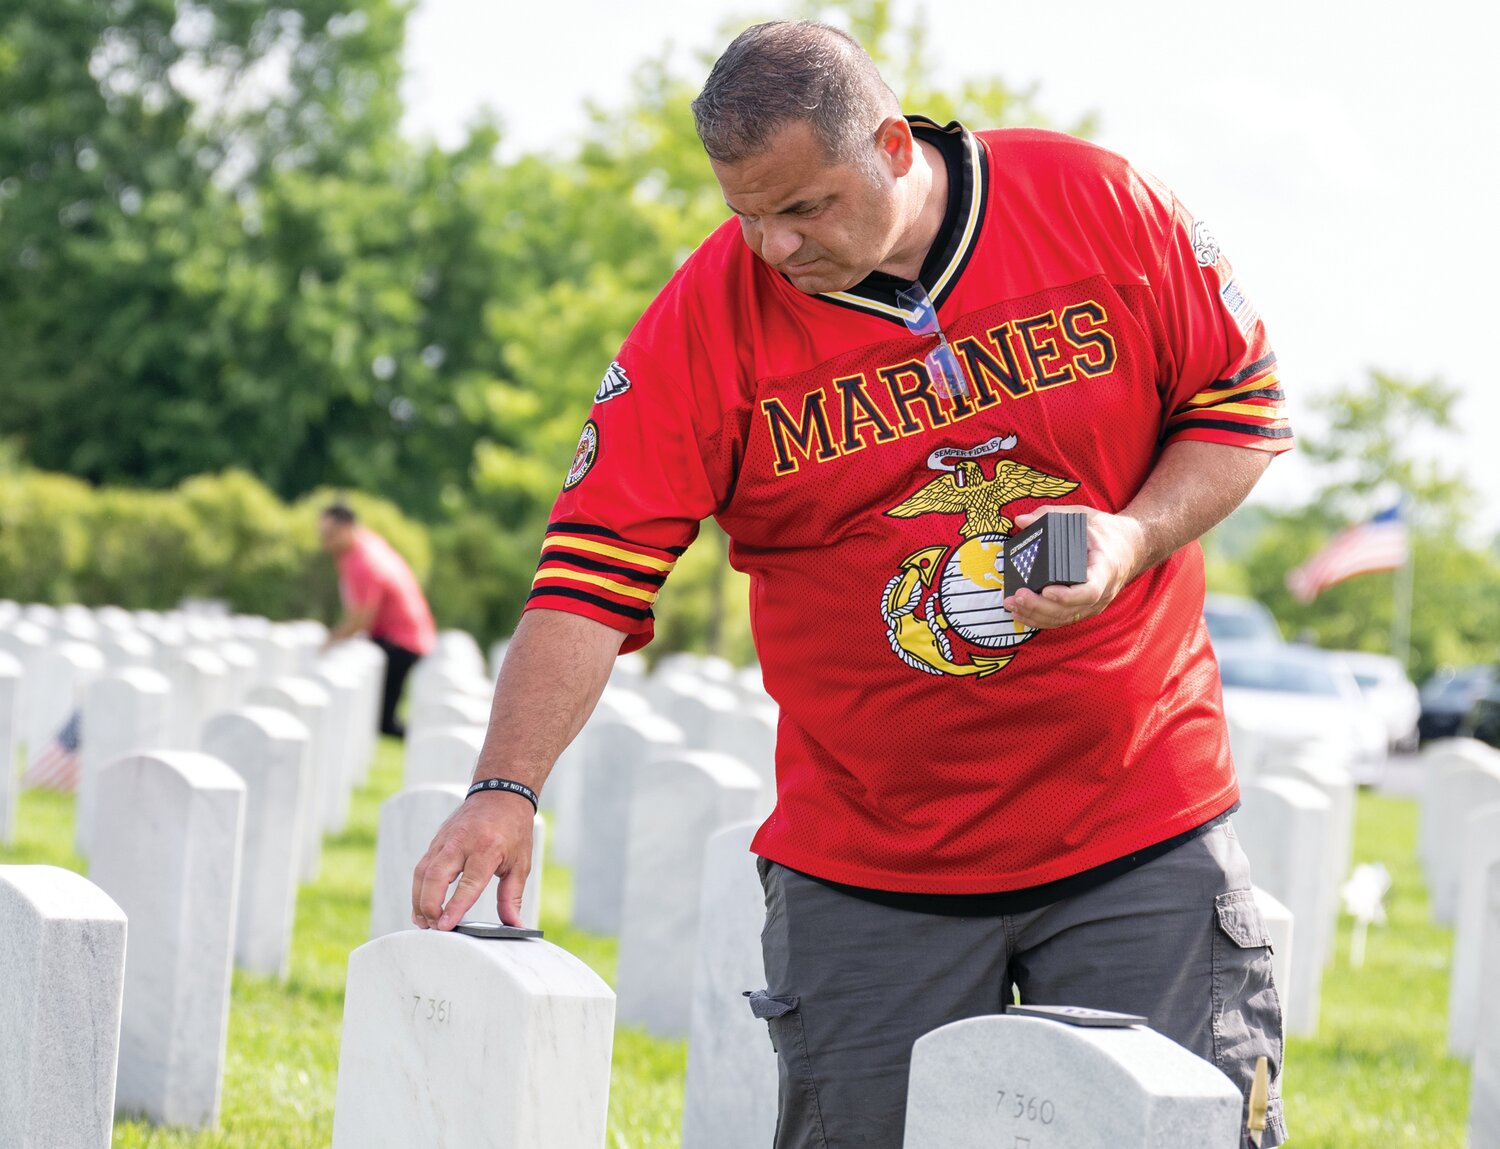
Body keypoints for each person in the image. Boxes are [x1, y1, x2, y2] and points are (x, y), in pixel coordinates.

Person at [411, 20, 1289, 1148]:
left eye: (805, 207)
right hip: (874, 858)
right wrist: (507, 787)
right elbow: (588, 576)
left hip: (1139, 821)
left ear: (888, 143)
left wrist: (1127, 537)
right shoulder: (706, 323)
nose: (774, 247)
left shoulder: (1098, 204)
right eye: (747, 215)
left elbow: (1239, 411)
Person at [319, 502, 436, 737]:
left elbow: (362, 619)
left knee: (382, 722)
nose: (325, 542)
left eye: (331, 535)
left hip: (399, 642)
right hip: (407, 637)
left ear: (347, 528)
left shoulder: (362, 562)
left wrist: (330, 642)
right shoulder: (365, 543)